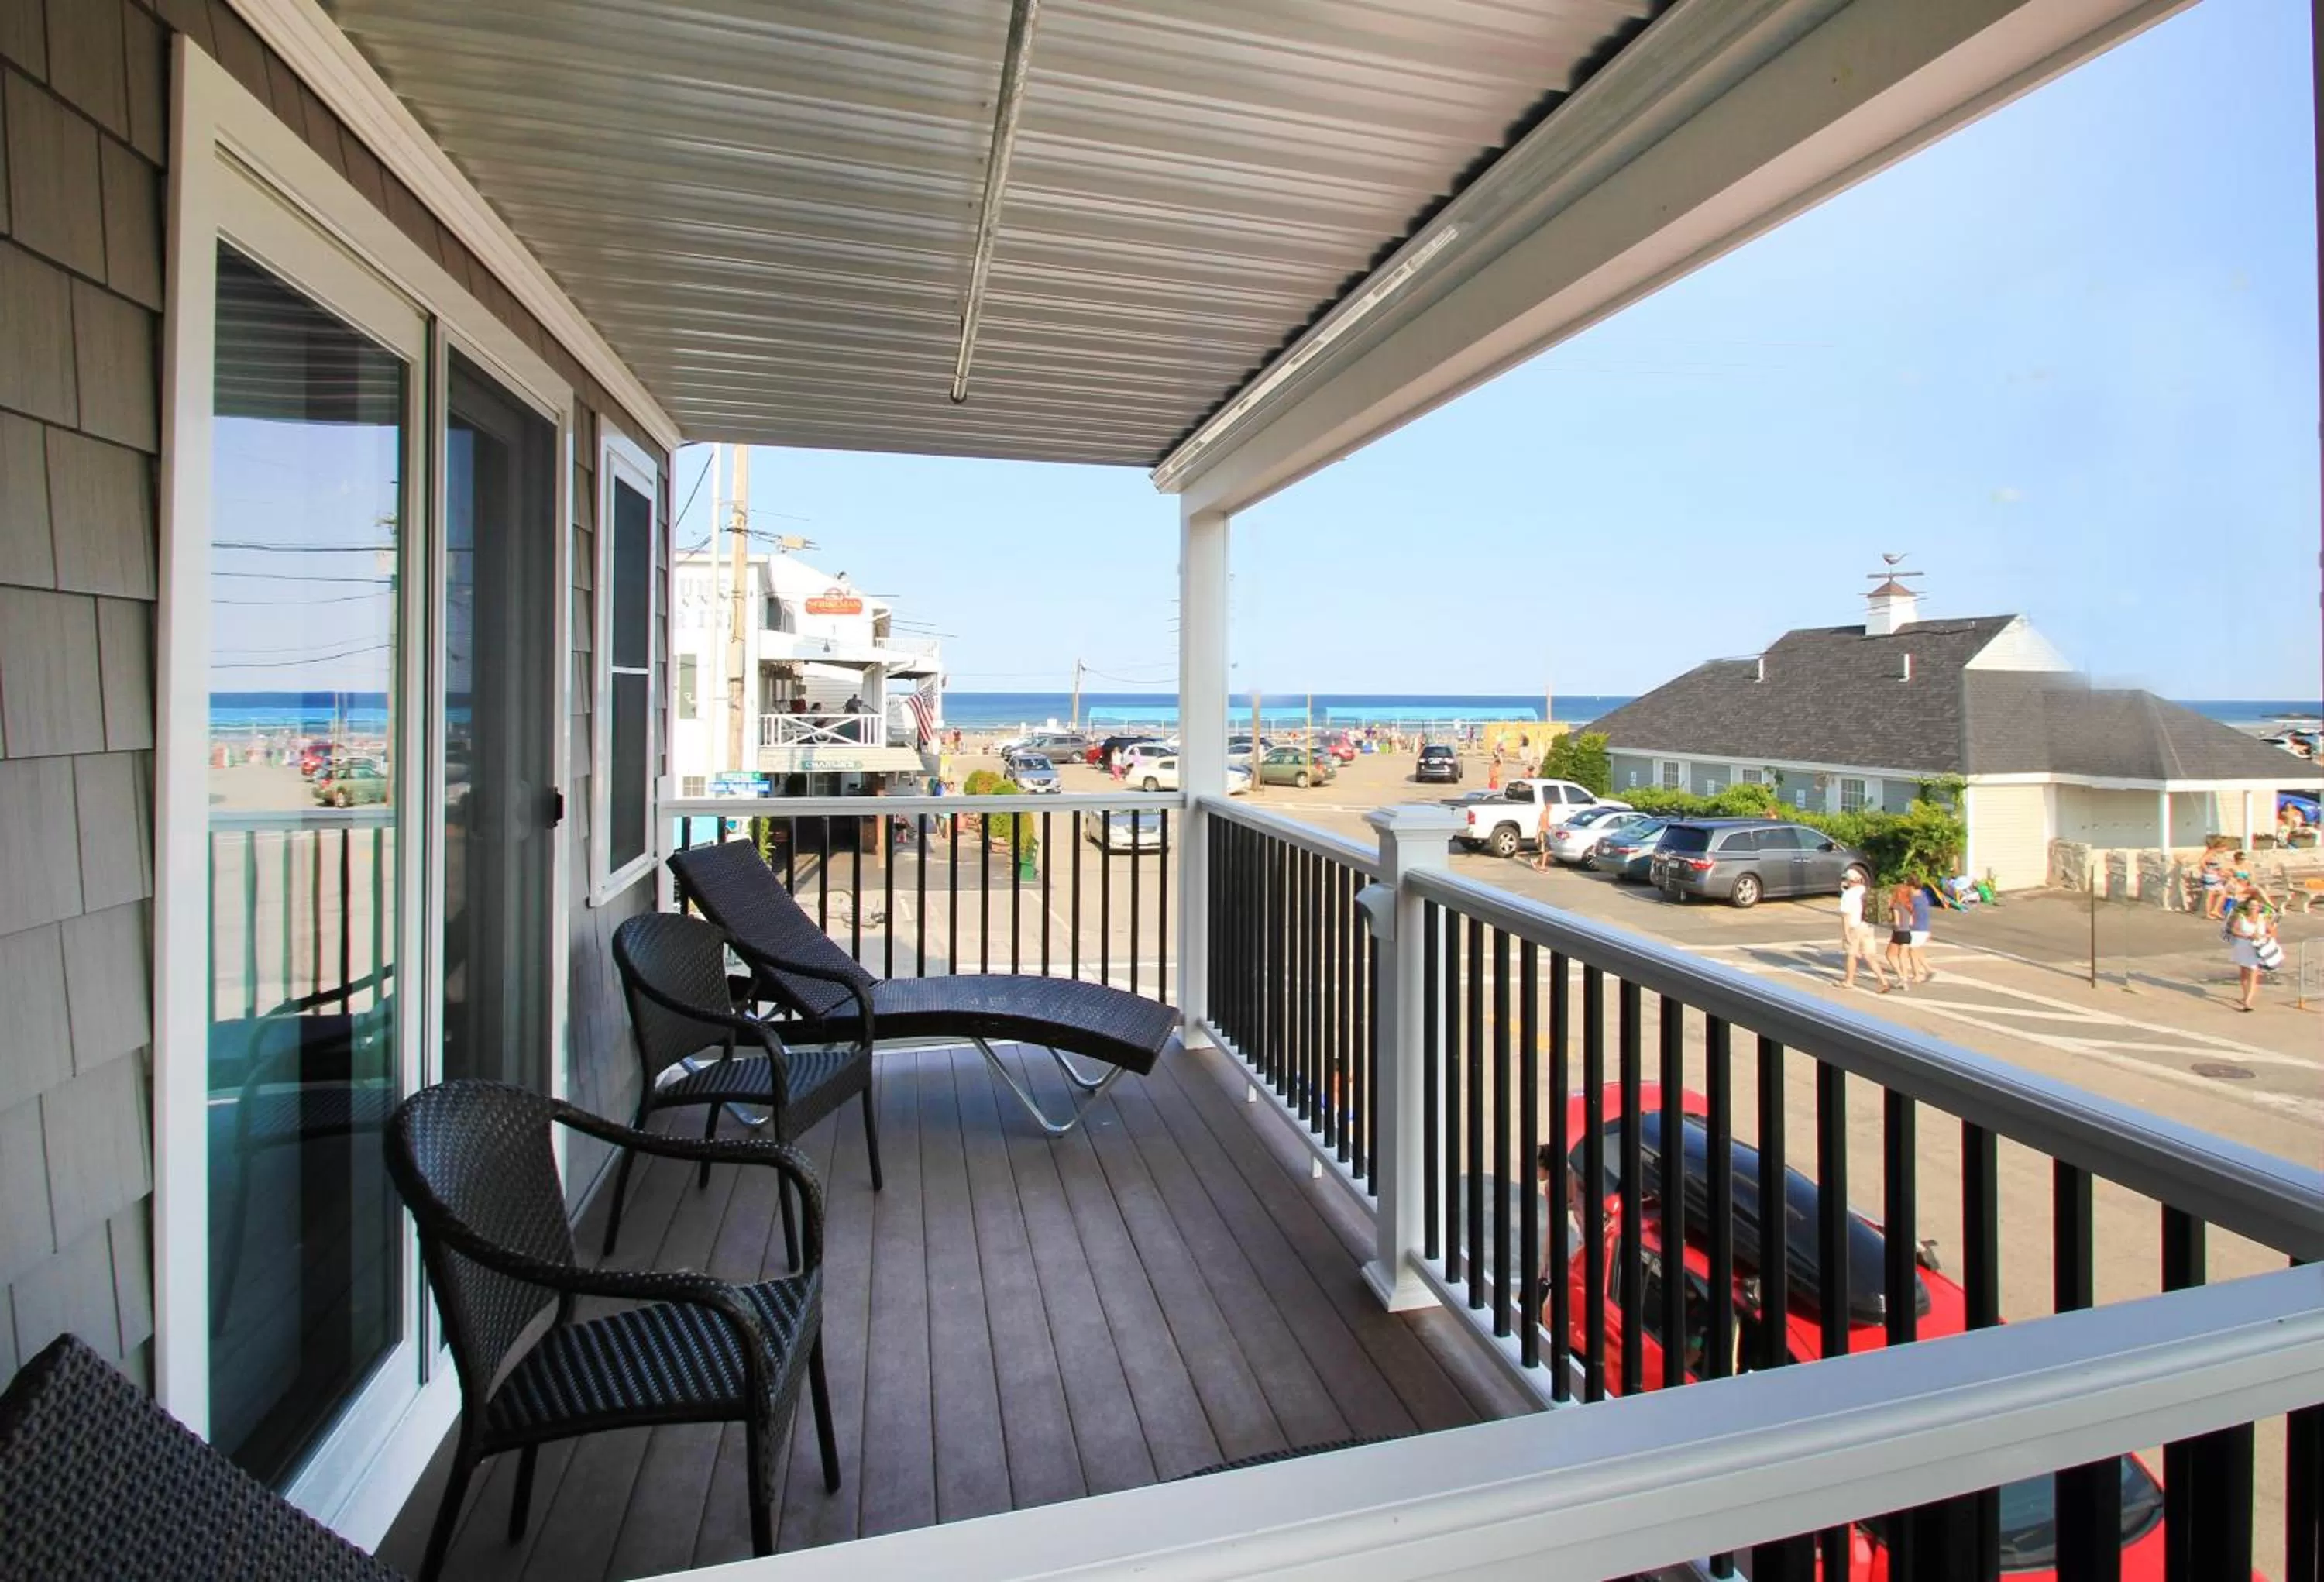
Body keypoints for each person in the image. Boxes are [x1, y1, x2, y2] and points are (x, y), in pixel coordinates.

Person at [1838, 872, 1892, 992]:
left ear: (1849, 881)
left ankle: (1849, 981)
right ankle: (1883, 981)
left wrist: (1846, 934)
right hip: (1868, 926)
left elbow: (1846, 916)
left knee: (1851, 954)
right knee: (1870, 956)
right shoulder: (1866, 891)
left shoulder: (1848, 895)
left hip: (1854, 927)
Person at [2226, 896, 2275, 1012]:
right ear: (2247, 906)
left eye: (2256, 905)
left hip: (2257, 949)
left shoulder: (2263, 919)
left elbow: (2272, 932)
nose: (2253, 907)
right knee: (2244, 973)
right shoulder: (2242, 917)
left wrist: (2263, 936)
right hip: (2243, 947)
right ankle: (2245, 996)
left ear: (2259, 907)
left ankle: (2247, 1002)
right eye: (2251, 905)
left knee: (2254, 973)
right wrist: (2247, 936)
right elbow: (2234, 930)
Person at [1882, 882, 1917, 991]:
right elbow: (1911, 922)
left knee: (1890, 955)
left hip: (1898, 933)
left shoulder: (1896, 905)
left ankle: (1901, 977)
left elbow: (1897, 923)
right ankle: (1905, 980)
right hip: (1907, 933)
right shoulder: (1910, 906)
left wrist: (1890, 924)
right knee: (1903, 957)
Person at [1906, 883, 1935, 983]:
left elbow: (1910, 914)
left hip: (1916, 928)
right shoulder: (1923, 896)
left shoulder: (1913, 899)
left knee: (1912, 951)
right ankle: (1928, 969)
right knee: (1917, 949)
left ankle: (1917, 975)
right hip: (1924, 927)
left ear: (1912, 887)